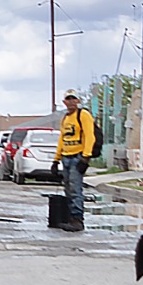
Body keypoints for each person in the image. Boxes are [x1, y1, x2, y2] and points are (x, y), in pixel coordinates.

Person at [49, 93, 96, 233]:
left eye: (73, 99)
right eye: (68, 99)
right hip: (66, 157)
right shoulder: (66, 118)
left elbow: (90, 136)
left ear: (78, 101)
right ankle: (70, 218)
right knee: (68, 189)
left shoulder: (83, 115)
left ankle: (77, 219)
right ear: (64, 102)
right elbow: (62, 140)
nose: (71, 102)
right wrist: (56, 160)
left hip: (78, 157)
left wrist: (86, 157)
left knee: (76, 189)